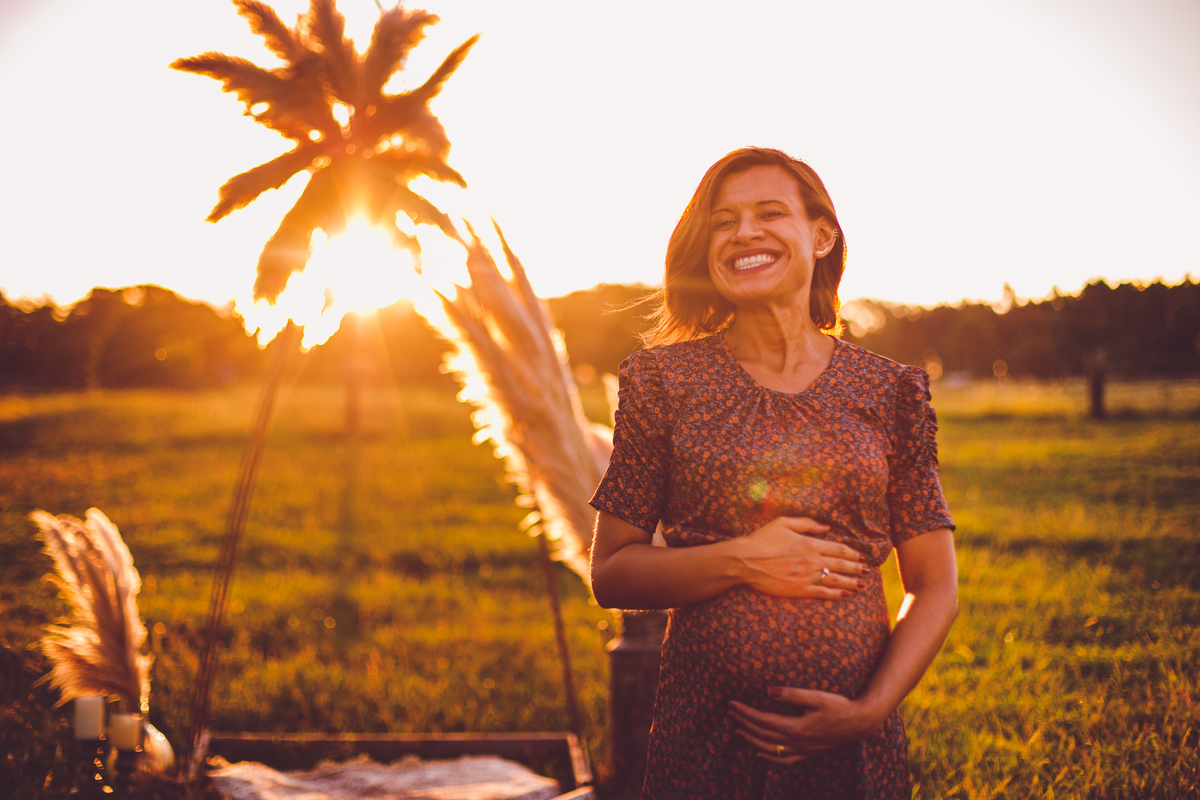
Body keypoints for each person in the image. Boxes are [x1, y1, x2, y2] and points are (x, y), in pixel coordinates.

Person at [589, 147, 958, 799]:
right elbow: (612, 573)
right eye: (723, 221)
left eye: (769, 213)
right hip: (704, 748)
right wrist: (743, 560)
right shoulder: (662, 383)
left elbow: (934, 586)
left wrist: (869, 712)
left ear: (821, 236)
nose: (744, 233)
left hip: (852, 754)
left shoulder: (891, 391)